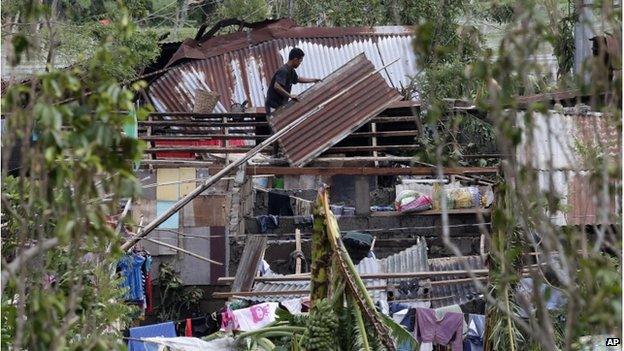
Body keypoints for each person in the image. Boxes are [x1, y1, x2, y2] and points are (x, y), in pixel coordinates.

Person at [265, 47, 321, 115]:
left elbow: (297, 79)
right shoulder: (283, 71)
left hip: (280, 104)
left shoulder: (291, 71)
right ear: (295, 59)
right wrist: (290, 96)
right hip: (273, 105)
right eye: (300, 61)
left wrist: (313, 80)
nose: (300, 63)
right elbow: (277, 86)